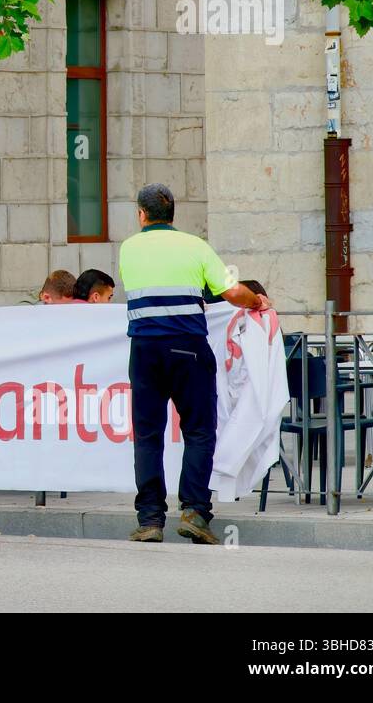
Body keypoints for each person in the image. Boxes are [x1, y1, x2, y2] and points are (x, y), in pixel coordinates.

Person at [118, 183, 270, 546]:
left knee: (149, 435)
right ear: (173, 215)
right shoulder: (195, 246)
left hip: (144, 351)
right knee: (199, 431)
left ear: (142, 214)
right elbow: (231, 291)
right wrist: (256, 301)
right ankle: (195, 512)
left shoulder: (128, 248)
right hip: (187, 348)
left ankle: (151, 520)